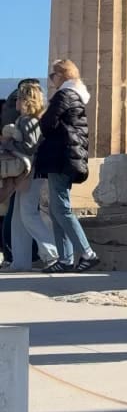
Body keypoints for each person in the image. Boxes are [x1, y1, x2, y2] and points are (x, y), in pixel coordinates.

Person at [35, 59, 99, 273]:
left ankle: (88, 253)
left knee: (61, 208)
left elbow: (47, 124)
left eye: (53, 75)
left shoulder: (64, 95)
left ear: (62, 75)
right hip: (68, 156)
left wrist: (42, 116)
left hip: (61, 156)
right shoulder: (76, 96)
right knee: (56, 210)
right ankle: (65, 259)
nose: (51, 79)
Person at [1, 82, 58, 272]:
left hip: (30, 172)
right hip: (27, 172)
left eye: (19, 98)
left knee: (28, 214)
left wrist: (12, 140)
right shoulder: (27, 119)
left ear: (26, 100)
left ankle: (52, 254)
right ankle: (21, 261)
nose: (15, 101)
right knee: (18, 216)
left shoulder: (28, 121)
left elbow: (30, 148)